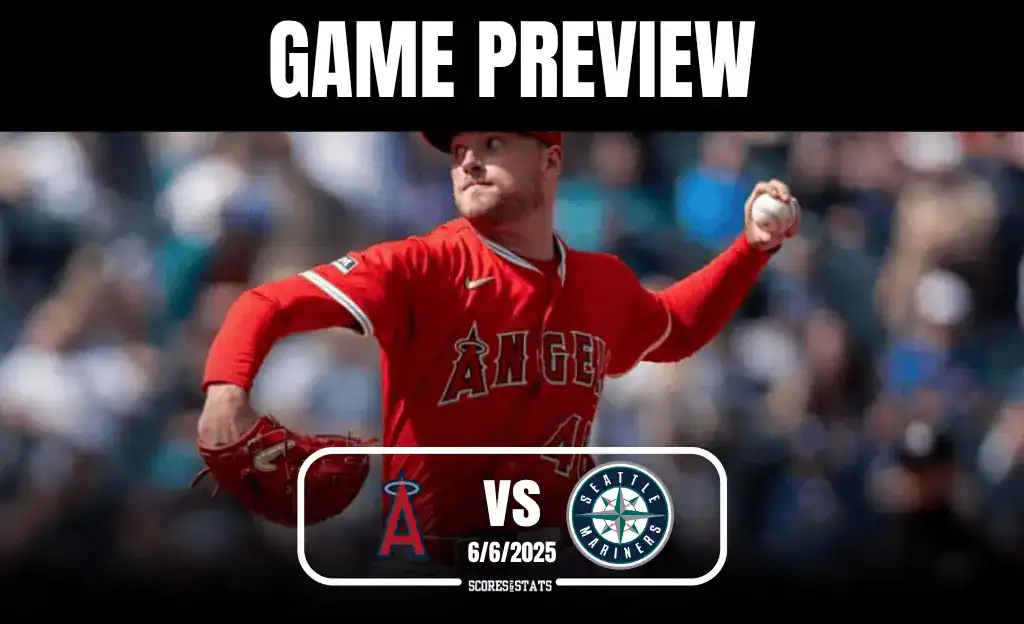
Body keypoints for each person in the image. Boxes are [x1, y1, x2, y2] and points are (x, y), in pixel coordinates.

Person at [196, 131, 799, 565]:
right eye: (459, 149)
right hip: (432, 557)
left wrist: (751, 248)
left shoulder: (601, 282)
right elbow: (266, 304)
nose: (468, 161)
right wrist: (225, 392)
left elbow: (677, 327)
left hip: (556, 552)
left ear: (550, 160)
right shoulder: (421, 266)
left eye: (492, 143)